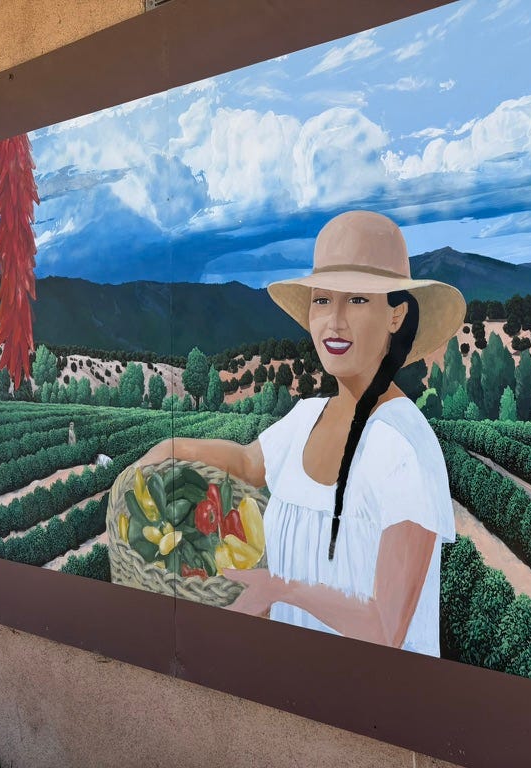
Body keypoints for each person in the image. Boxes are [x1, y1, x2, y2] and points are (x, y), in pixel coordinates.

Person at [139, 210, 465, 657]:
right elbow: (249, 464)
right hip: (296, 684)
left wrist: (282, 590)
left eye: (357, 301)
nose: (334, 322)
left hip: (374, 707)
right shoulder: (306, 417)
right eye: (322, 300)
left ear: (396, 315)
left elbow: (386, 628)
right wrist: (172, 448)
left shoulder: (403, 445)